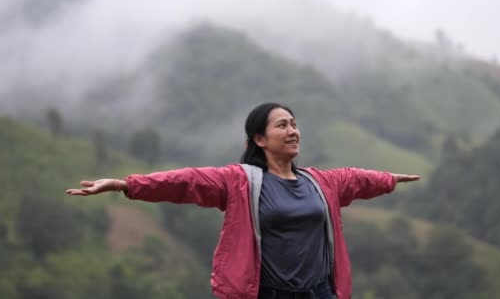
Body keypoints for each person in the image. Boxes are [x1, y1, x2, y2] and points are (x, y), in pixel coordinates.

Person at [67, 102, 420, 299]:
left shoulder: (320, 182)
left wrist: (389, 180)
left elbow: (356, 178)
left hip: (318, 293)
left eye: (294, 124)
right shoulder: (239, 182)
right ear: (260, 139)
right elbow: (185, 181)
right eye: (282, 125)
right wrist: (126, 184)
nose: (293, 130)